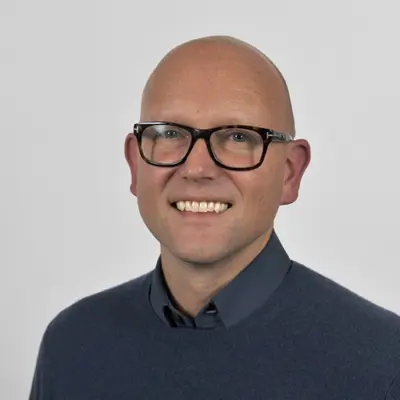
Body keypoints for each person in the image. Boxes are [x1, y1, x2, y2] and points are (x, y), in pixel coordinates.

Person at [29, 36, 400, 399]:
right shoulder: (71, 344)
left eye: (238, 137)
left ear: (290, 173)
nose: (197, 168)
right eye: (169, 133)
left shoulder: (384, 364)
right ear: (135, 165)